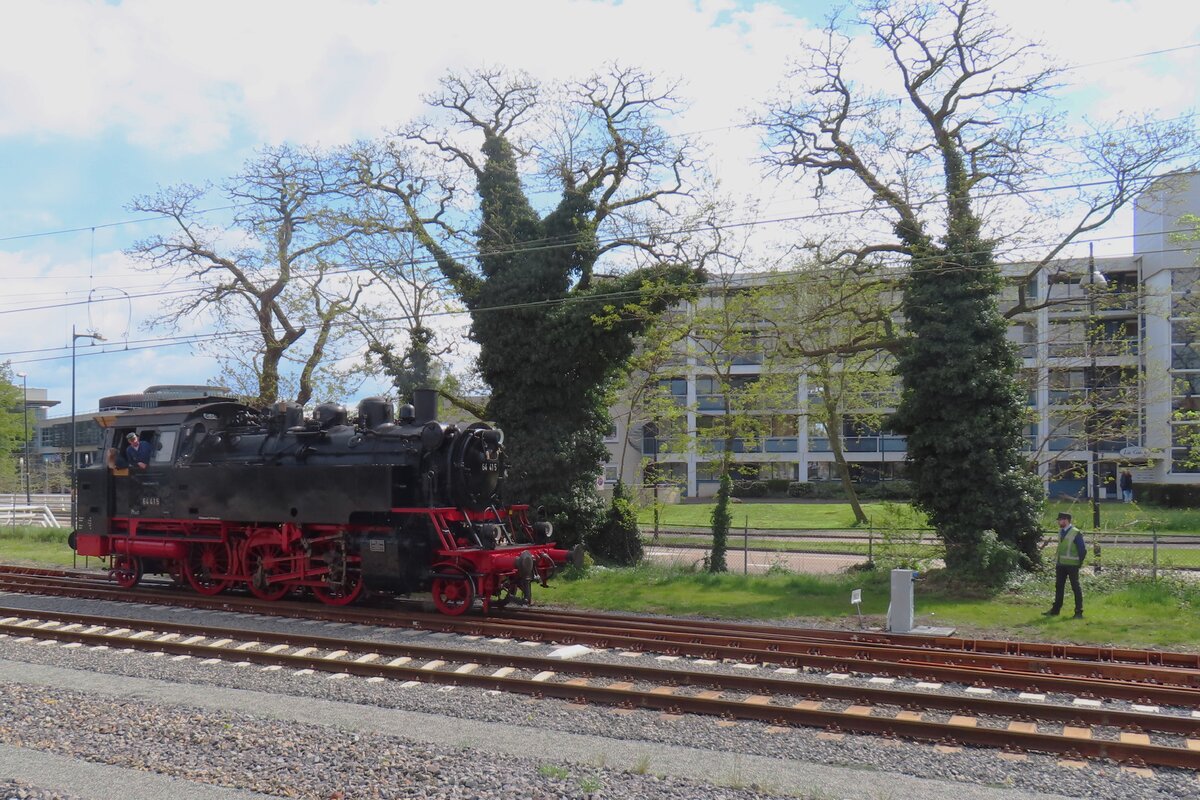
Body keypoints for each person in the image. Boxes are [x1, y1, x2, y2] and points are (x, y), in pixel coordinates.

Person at [1044, 511, 1086, 619]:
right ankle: (1055, 610)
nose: (1058, 522)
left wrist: (1079, 563)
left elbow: (1082, 550)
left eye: (1060, 520)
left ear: (1066, 520)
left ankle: (1078, 612)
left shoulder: (1076, 532)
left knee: (1075, 588)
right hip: (1061, 564)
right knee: (1059, 587)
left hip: (1072, 565)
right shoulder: (1060, 531)